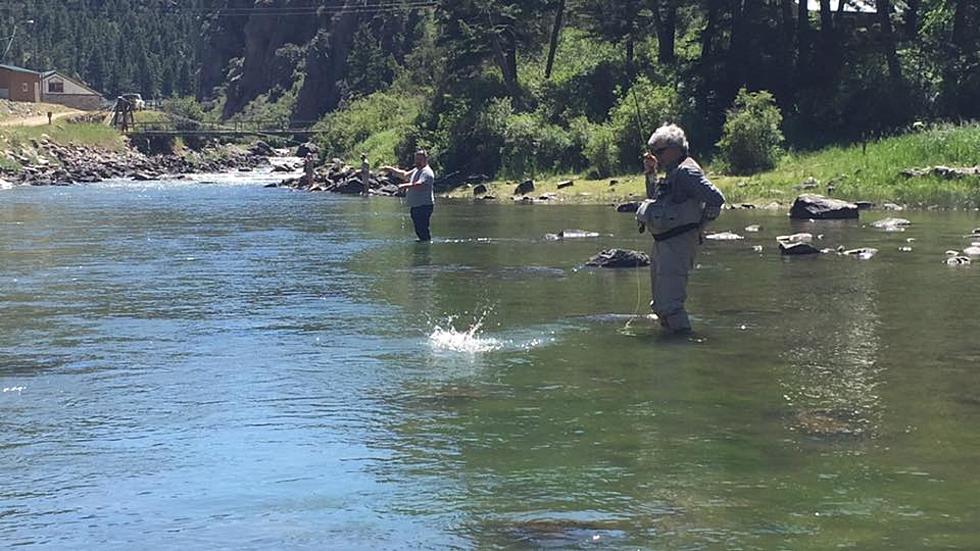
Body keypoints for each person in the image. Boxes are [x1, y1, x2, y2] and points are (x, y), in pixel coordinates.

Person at [637, 124, 725, 334]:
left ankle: (682, 345)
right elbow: (655, 200)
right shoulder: (672, 172)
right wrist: (651, 173)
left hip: (677, 245)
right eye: (653, 152)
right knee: (660, 305)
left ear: (675, 149)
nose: (656, 157)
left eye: (659, 152)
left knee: (671, 306)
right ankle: (670, 338)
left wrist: (699, 228)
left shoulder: (686, 172)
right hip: (663, 244)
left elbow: (716, 199)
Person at [382, 150, 435, 242]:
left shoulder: (427, 172)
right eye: (416, 159)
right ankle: (423, 244)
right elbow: (404, 175)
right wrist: (391, 169)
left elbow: (420, 184)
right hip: (416, 206)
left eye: (419, 159)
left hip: (424, 206)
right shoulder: (416, 170)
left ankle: (426, 246)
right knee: (419, 230)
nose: (417, 161)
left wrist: (404, 186)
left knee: (422, 229)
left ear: (425, 159)